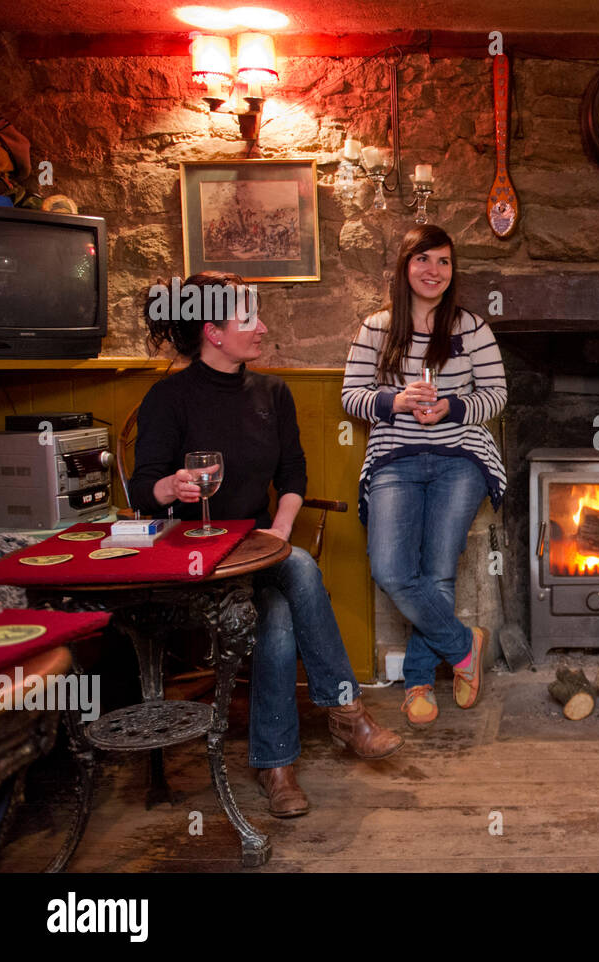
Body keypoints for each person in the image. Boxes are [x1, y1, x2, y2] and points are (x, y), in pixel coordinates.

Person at [132, 271, 404, 819]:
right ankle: (346, 713)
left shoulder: (272, 393)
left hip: (258, 548)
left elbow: (294, 474)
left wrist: (279, 532)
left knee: (280, 612)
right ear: (212, 331)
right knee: (297, 575)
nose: (262, 328)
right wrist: (170, 488)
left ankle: (276, 767)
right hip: (195, 557)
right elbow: (143, 487)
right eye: (248, 319)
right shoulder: (168, 398)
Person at [341, 225, 507, 727]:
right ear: (404, 266)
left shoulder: (471, 327)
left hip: (460, 455)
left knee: (437, 570)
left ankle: (417, 681)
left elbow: (497, 394)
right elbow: (351, 396)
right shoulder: (376, 328)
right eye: (423, 260)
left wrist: (454, 406)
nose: (433, 271)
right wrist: (396, 401)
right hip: (396, 456)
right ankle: (463, 644)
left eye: (443, 262)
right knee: (391, 569)